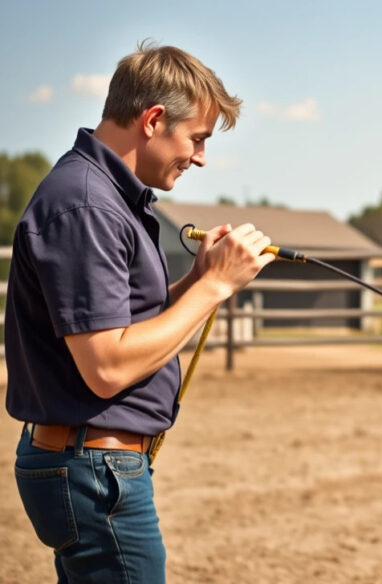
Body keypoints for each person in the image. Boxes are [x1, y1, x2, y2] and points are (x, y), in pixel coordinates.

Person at [5, 42, 274, 583]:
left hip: (93, 464)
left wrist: (198, 280)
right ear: (153, 120)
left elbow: (125, 332)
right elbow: (107, 367)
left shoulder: (103, 196)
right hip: (94, 468)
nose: (200, 157)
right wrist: (215, 288)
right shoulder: (87, 204)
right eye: (197, 138)